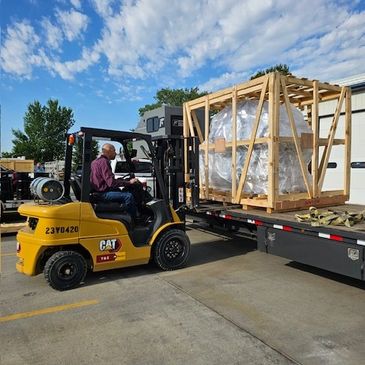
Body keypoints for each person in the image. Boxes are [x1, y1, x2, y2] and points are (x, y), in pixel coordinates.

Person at [90, 143, 139, 218]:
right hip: (103, 194)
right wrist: (129, 182)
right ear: (108, 151)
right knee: (129, 196)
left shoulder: (95, 162)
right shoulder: (104, 162)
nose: (116, 153)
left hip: (98, 192)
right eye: (114, 150)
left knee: (120, 190)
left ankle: (123, 214)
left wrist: (121, 180)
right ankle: (134, 220)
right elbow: (111, 183)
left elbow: (106, 180)